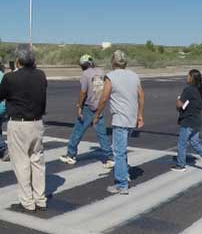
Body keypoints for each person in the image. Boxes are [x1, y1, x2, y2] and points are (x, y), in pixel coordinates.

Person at [0, 49, 48, 212]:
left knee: (21, 163)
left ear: (18, 61)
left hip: (19, 123)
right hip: (37, 122)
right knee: (37, 161)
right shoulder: (41, 75)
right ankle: (40, 198)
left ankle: (27, 201)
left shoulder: (10, 77)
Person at [94, 49, 145, 195]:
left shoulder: (110, 76)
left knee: (118, 152)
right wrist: (140, 115)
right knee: (121, 149)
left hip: (120, 119)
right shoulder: (134, 76)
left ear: (112, 62)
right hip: (131, 118)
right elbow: (141, 95)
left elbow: (104, 98)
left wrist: (97, 114)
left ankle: (121, 184)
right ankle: (125, 174)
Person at [59, 54, 114, 168]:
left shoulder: (85, 75)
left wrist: (79, 106)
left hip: (88, 107)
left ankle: (71, 155)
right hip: (99, 106)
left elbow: (83, 92)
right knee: (102, 133)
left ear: (83, 65)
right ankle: (109, 157)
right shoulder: (101, 72)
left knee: (78, 131)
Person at [172, 69, 202, 173]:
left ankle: (181, 165)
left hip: (188, 121)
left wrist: (178, 100)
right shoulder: (198, 90)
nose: (186, 77)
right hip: (196, 121)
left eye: (188, 76)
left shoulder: (188, 89)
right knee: (195, 143)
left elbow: (179, 104)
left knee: (181, 144)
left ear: (192, 78)